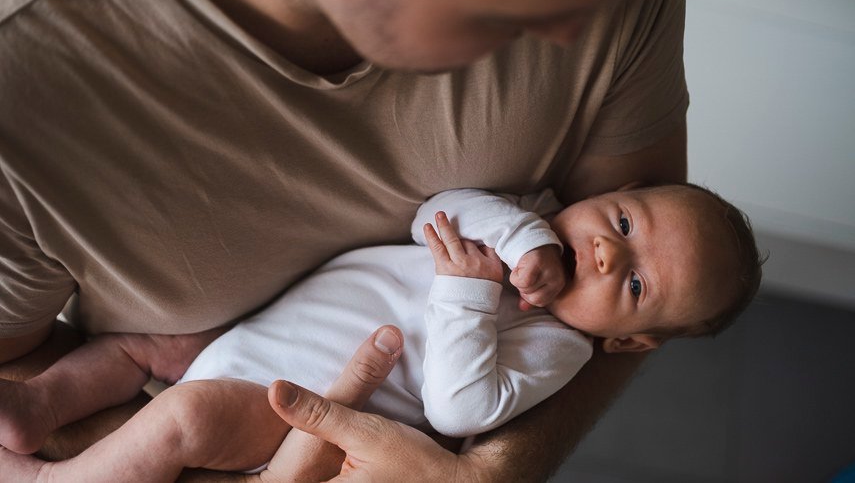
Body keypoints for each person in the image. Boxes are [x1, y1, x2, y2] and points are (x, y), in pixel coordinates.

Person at [0, 0, 754, 480]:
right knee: (145, 361)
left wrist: (485, 474)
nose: (571, 29)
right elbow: (446, 215)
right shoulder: (25, 77)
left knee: (182, 397)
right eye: (512, 1)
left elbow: (635, 298)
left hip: (275, 400)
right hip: (230, 369)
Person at [0, 183, 762, 480]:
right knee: (147, 343)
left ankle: (60, 481)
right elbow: (434, 210)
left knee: (186, 415)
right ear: (609, 195)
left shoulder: (558, 347)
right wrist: (521, 237)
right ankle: (42, 408)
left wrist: (469, 293)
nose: (603, 249)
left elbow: (458, 411)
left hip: (276, 405)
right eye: (623, 222)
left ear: (627, 343)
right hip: (236, 337)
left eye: (632, 283)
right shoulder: (518, 219)